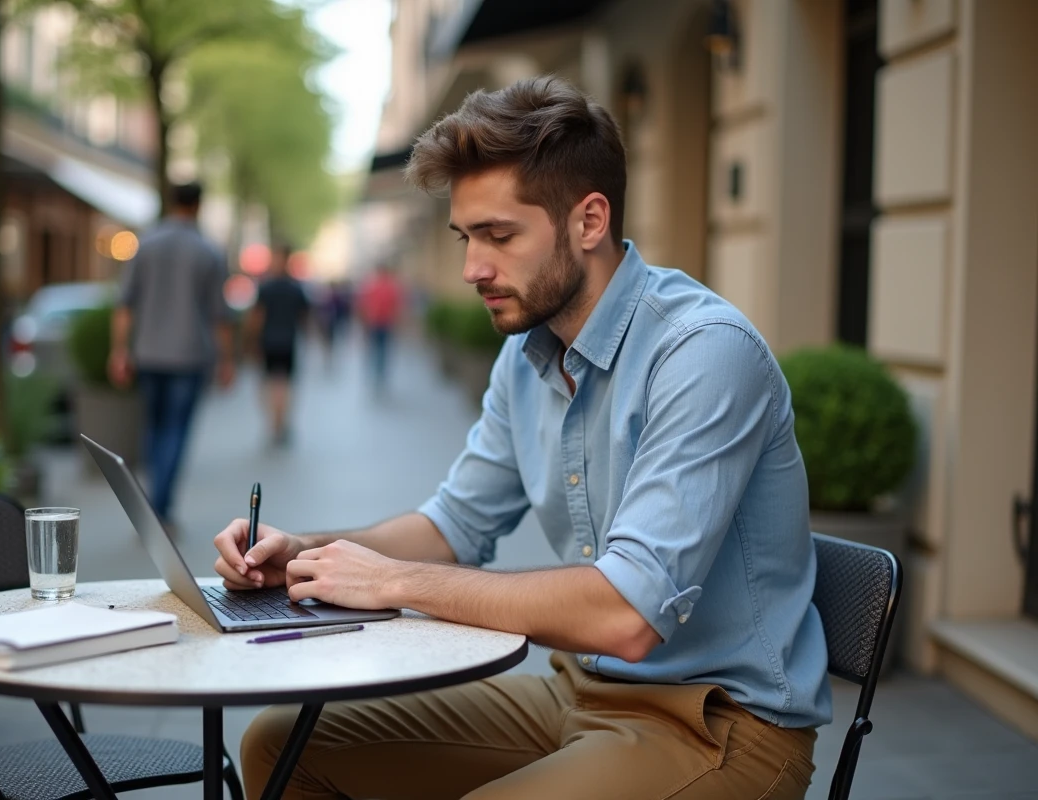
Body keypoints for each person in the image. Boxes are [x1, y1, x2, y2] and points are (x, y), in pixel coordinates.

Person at [214, 77, 830, 799]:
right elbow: (454, 525)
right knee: (284, 744)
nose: (474, 268)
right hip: (577, 695)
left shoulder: (701, 352)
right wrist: (305, 555)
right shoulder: (528, 353)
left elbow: (627, 615)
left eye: (499, 236)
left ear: (589, 221)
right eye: (466, 237)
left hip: (720, 726)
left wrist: (394, 584)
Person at [109, 181, 234, 528]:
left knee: (153, 427)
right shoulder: (208, 250)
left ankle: (153, 501)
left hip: (148, 354)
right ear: (198, 205)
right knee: (176, 430)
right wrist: (226, 360)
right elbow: (219, 315)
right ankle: (160, 506)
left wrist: (119, 351)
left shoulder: (145, 245)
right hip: (190, 356)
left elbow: (124, 305)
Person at [246, 243, 309, 445]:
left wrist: (252, 342)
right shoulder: (296, 288)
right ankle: (281, 423)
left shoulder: (266, 287)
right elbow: (304, 317)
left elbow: (257, 318)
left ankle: (274, 423)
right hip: (288, 341)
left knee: (270, 384)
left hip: (269, 341)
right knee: (284, 385)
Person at [357, 263, 405, 392]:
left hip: (374, 323)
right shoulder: (392, 287)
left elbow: (362, 306)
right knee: (383, 351)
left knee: (374, 350)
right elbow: (397, 307)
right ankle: (380, 376)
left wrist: (363, 323)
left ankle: (374, 376)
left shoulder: (370, 286)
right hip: (385, 323)